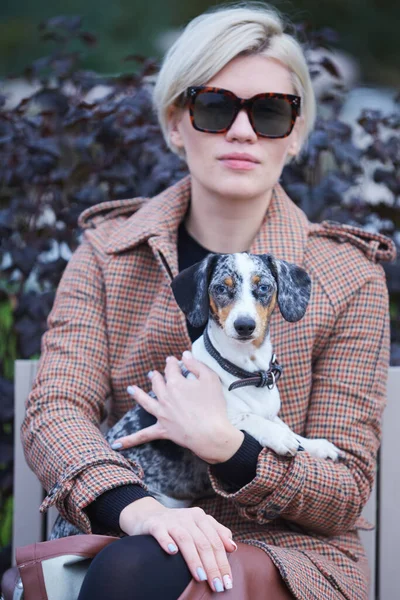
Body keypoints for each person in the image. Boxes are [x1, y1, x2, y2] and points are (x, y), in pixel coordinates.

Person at [21, 2, 395, 599]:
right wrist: (143, 512)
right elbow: (56, 409)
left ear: (294, 135)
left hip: (286, 556)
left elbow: (344, 487)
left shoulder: (346, 277)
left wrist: (229, 446)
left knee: (143, 571)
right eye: (215, 107)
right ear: (176, 123)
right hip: (131, 531)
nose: (243, 131)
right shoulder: (107, 255)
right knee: (141, 563)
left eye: (271, 111)